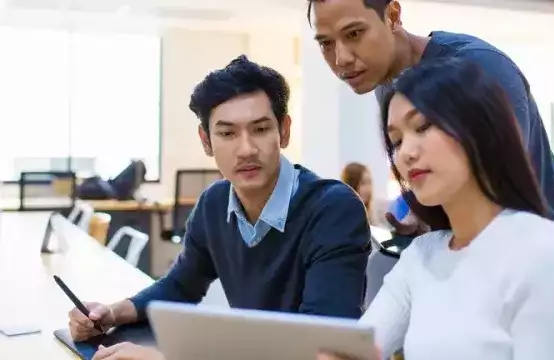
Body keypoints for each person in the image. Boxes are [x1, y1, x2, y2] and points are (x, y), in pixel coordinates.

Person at [68, 55, 372, 360]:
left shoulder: (333, 210)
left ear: (284, 130)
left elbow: (323, 347)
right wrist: (112, 313)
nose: (246, 149)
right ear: (206, 140)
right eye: (227, 133)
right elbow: (180, 285)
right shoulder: (214, 203)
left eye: (260, 129)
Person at [320, 57, 554, 360]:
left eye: (423, 126)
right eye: (396, 141)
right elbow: (357, 350)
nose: (406, 153)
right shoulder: (421, 256)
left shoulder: (545, 252)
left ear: (478, 129)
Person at [307, 0, 554, 288]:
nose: (341, 58)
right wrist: (425, 220)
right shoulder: (385, 84)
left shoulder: (480, 67)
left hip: (552, 260)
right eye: (326, 43)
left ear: (393, 16)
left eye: (354, 34)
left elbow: (501, 186)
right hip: (478, 261)